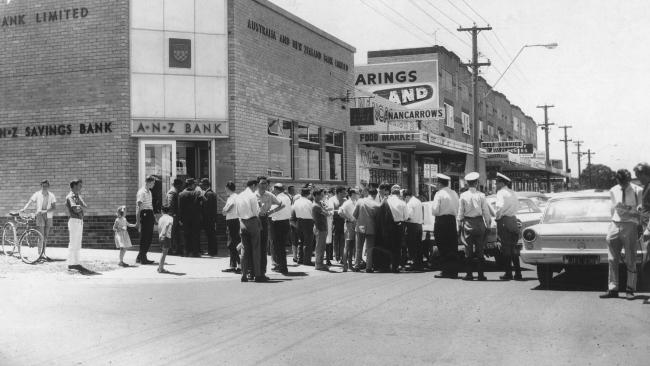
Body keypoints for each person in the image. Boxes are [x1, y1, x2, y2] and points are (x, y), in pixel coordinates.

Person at [600, 169, 643, 300]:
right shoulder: (613, 190)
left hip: (630, 224)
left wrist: (632, 212)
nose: (623, 185)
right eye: (621, 182)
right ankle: (613, 288)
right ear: (617, 180)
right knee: (612, 259)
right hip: (615, 224)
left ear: (629, 180)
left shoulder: (638, 190)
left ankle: (630, 289)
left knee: (631, 258)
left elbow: (641, 209)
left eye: (626, 182)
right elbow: (612, 208)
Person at [457, 172, 492, 281]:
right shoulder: (481, 195)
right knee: (480, 249)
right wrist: (488, 224)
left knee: (468, 249)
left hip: (467, 223)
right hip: (479, 223)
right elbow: (486, 212)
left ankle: (469, 274)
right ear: (476, 183)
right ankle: (481, 275)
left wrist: (458, 226)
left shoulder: (463, 195)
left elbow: (460, 213)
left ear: (467, 184)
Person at [494, 173, 522, 281]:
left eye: (497, 182)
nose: (496, 185)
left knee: (506, 249)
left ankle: (508, 273)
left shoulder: (501, 193)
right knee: (513, 248)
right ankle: (518, 273)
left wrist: (497, 217)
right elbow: (518, 207)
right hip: (513, 220)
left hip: (504, 220)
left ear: (501, 183)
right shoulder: (512, 193)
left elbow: (499, 207)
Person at [432, 174, 460, 279]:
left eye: (437, 183)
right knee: (452, 246)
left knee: (442, 246)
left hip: (441, 221)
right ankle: (454, 271)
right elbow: (458, 208)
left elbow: (435, 210)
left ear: (439, 183)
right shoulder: (454, 193)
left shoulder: (439, 194)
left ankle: (445, 271)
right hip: (452, 221)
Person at [20, 179, 56, 260]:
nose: (44, 187)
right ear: (41, 186)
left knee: (46, 236)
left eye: (46, 186)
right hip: (40, 216)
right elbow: (30, 201)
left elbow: (54, 207)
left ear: (48, 186)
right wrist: (24, 208)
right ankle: (40, 254)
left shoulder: (51, 195)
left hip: (49, 216)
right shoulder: (37, 194)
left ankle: (44, 253)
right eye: (43, 186)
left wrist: (45, 211)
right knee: (41, 235)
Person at [237, 179, 264, 282]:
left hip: (242, 221)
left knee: (244, 249)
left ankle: (243, 274)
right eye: (256, 186)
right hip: (252, 221)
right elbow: (256, 211)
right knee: (256, 249)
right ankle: (257, 274)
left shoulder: (239, 196)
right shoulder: (253, 196)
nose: (257, 188)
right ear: (253, 185)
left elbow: (237, 212)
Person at [256, 176, 284, 276]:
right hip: (254, 220)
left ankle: (262, 271)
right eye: (262, 183)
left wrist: (270, 212)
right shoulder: (253, 195)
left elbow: (281, 205)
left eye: (266, 183)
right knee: (254, 246)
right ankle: (253, 270)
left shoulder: (270, 195)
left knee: (263, 247)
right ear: (257, 184)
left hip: (264, 220)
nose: (264, 185)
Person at [353, 188, 380, 272]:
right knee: (369, 248)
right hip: (371, 227)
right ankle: (368, 267)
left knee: (358, 247)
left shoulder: (360, 201)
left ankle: (357, 265)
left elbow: (354, 214)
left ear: (368, 193)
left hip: (360, 226)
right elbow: (377, 219)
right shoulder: (377, 205)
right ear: (376, 195)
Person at [384, 185, 408, 273]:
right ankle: (395, 266)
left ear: (391, 192)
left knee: (388, 245)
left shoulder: (386, 201)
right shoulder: (402, 202)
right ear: (399, 193)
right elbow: (406, 217)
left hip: (387, 226)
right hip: (398, 226)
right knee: (397, 246)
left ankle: (387, 264)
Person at [178, 178, 205, 257]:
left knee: (186, 235)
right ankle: (195, 252)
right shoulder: (197, 193)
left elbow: (180, 208)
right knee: (195, 235)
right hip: (195, 218)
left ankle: (187, 251)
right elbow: (204, 201)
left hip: (185, 219)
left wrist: (180, 219)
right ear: (192, 185)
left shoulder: (181, 194)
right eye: (194, 184)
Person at [65, 179, 88, 271]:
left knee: (78, 243)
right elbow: (75, 209)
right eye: (79, 185)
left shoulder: (77, 196)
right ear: (74, 186)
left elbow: (85, 206)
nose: (81, 187)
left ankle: (76, 262)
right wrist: (81, 207)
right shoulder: (70, 196)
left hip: (79, 220)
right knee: (73, 242)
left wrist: (80, 207)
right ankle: (71, 263)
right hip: (74, 220)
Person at [270, 183, 292, 274]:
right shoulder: (287, 197)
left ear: (276, 189)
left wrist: (267, 212)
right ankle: (282, 266)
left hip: (278, 223)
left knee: (278, 247)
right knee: (282, 246)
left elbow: (273, 211)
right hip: (286, 222)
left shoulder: (278, 198)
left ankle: (281, 267)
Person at [136, 175, 156, 264]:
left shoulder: (149, 192)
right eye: (153, 183)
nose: (154, 184)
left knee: (149, 236)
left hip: (149, 214)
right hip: (144, 214)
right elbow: (139, 206)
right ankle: (143, 258)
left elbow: (150, 206)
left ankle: (140, 257)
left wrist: (154, 216)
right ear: (148, 182)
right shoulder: (142, 192)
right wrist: (138, 221)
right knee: (145, 237)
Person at [338, 188, 359, 272]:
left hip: (355, 224)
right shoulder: (347, 203)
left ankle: (350, 265)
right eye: (356, 193)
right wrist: (348, 218)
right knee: (347, 245)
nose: (358, 194)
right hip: (349, 224)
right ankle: (345, 265)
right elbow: (340, 212)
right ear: (352, 194)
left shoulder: (356, 202)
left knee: (352, 246)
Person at [222, 181, 241, 273]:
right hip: (233, 221)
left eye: (226, 188)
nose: (225, 190)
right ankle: (233, 265)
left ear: (228, 188)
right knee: (233, 243)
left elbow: (230, 206)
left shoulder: (233, 197)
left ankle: (240, 265)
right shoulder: (233, 197)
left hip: (233, 221)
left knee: (232, 244)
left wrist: (225, 211)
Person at [292, 187, 315, 265]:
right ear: (308, 194)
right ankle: (307, 260)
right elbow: (313, 213)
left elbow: (293, 211)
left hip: (299, 221)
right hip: (308, 221)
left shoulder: (296, 201)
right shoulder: (309, 202)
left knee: (300, 241)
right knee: (308, 242)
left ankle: (300, 258)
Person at [404, 189, 424, 270]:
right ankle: (419, 263)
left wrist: (403, 219)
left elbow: (409, 216)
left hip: (412, 226)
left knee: (412, 245)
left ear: (407, 196)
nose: (405, 200)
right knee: (418, 245)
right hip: (419, 225)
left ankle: (413, 263)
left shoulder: (410, 203)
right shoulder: (418, 201)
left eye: (404, 198)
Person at [311, 189, 330, 271]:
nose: (322, 196)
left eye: (323, 195)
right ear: (316, 195)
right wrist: (328, 211)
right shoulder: (316, 205)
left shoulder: (320, 203)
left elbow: (327, 209)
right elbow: (327, 213)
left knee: (322, 247)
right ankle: (318, 264)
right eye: (321, 195)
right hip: (320, 228)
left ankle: (320, 263)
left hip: (323, 227)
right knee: (320, 247)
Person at [200, 178, 219, 256]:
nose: (200, 185)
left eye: (201, 184)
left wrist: (202, 198)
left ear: (205, 185)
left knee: (211, 235)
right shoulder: (210, 193)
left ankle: (212, 251)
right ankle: (212, 251)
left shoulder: (209, 194)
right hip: (211, 219)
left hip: (209, 219)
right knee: (211, 235)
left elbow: (208, 207)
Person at [166, 178, 184, 256]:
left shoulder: (175, 191)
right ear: (178, 185)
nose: (182, 187)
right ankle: (169, 249)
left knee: (177, 233)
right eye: (181, 186)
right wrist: (173, 214)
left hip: (175, 216)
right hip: (173, 216)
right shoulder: (172, 192)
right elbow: (170, 204)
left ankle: (178, 249)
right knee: (172, 233)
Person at [157, 205, 174, 274]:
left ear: (162, 211)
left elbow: (159, 227)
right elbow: (167, 225)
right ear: (169, 211)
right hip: (166, 236)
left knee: (163, 252)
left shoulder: (160, 218)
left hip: (161, 236)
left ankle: (160, 267)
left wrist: (160, 235)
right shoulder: (170, 218)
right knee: (164, 253)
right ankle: (161, 268)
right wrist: (164, 234)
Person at [287, 185, 299, 263]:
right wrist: (297, 227)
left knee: (297, 242)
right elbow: (291, 220)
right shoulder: (292, 207)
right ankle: (295, 256)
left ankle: (298, 256)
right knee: (295, 241)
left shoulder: (298, 206)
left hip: (298, 226)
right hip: (294, 227)